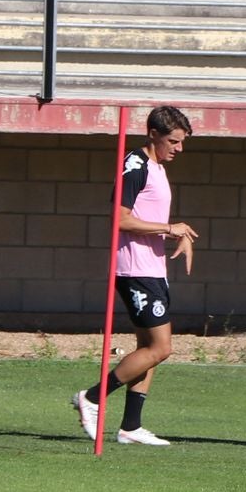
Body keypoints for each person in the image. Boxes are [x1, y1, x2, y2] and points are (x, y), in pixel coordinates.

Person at [71, 106, 198, 446]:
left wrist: (178, 235)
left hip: (153, 269)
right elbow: (120, 219)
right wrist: (169, 228)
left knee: (148, 348)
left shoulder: (157, 167)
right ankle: (93, 398)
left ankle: (130, 427)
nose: (179, 148)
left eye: (182, 142)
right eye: (173, 141)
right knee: (161, 347)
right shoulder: (136, 166)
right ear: (153, 133)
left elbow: (151, 216)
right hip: (134, 270)